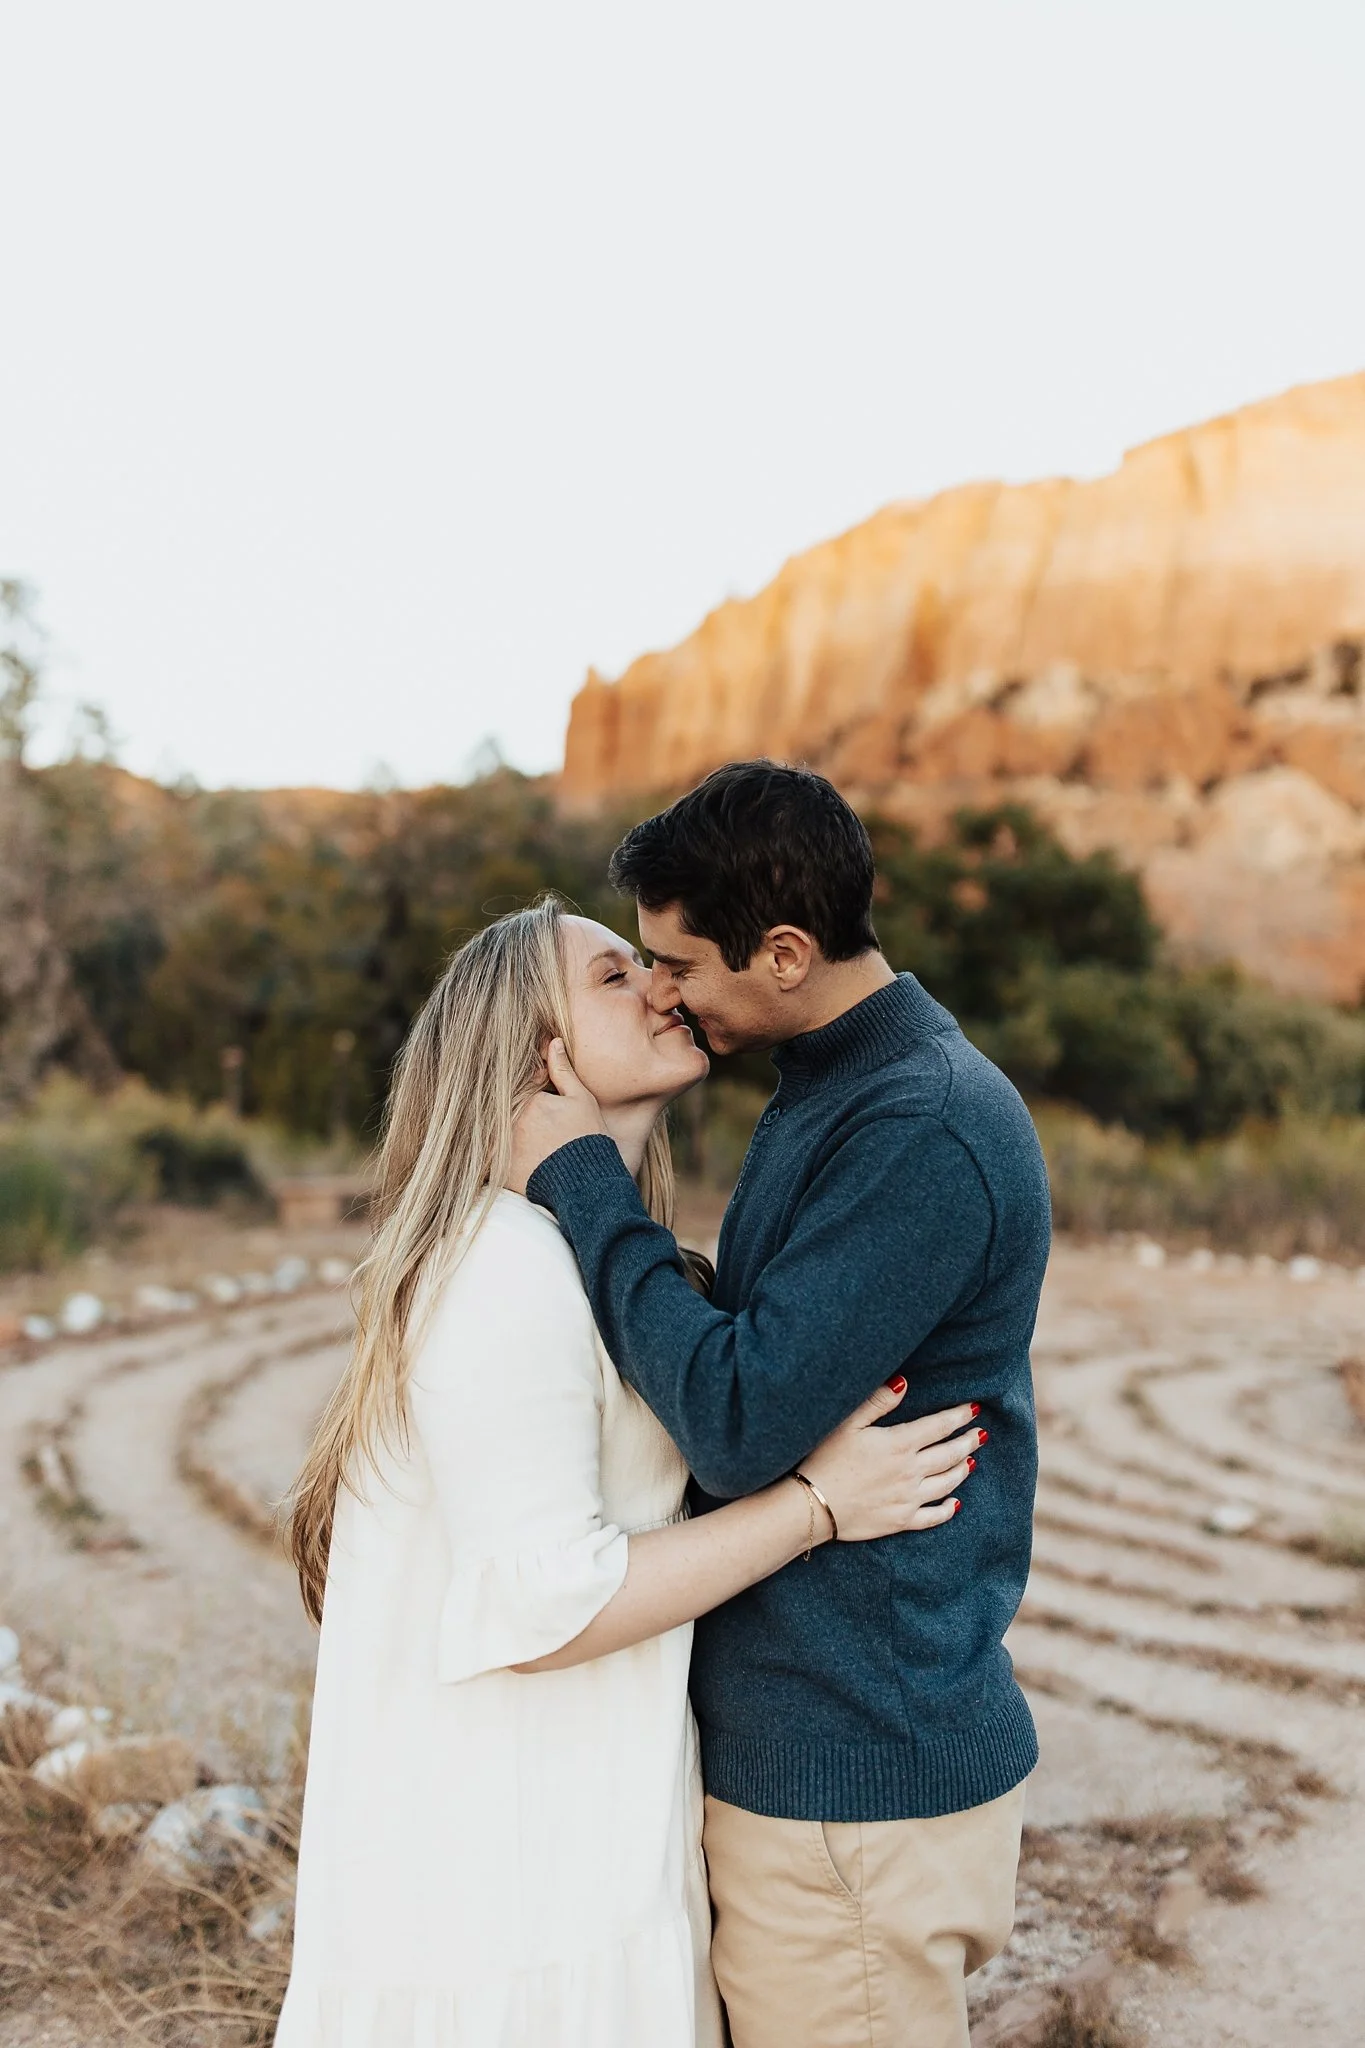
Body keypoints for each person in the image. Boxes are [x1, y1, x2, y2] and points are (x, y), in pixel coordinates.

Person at [276, 895, 983, 2048]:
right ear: (533, 1054)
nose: (662, 985)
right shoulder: (503, 1268)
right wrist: (814, 1507)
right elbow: (545, 1599)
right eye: (614, 977)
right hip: (506, 1892)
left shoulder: (592, 1262)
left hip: (584, 1841)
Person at [510, 761, 1052, 2048]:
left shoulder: (921, 1126)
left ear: (788, 953)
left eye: (678, 965)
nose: (659, 990)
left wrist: (580, 1178)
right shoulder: (840, 1088)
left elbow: (740, 1420)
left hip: (847, 1784)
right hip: (830, 1758)